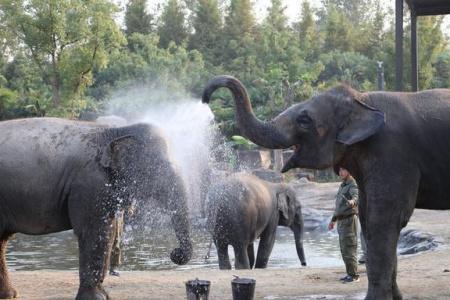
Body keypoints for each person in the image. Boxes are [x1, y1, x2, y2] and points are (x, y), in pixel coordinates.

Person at [328, 166, 359, 283]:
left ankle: (355, 276)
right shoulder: (342, 185)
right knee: (344, 249)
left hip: (349, 221)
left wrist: (352, 202)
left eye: (343, 170)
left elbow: (356, 196)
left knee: (350, 247)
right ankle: (349, 273)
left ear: (349, 170)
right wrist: (333, 220)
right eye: (339, 170)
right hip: (341, 221)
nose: (341, 172)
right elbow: (338, 207)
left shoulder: (352, 184)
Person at [109, 211, 124, 276]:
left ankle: (113, 268)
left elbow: (128, 200)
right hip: (110, 214)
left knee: (116, 241)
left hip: (118, 215)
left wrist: (130, 207)